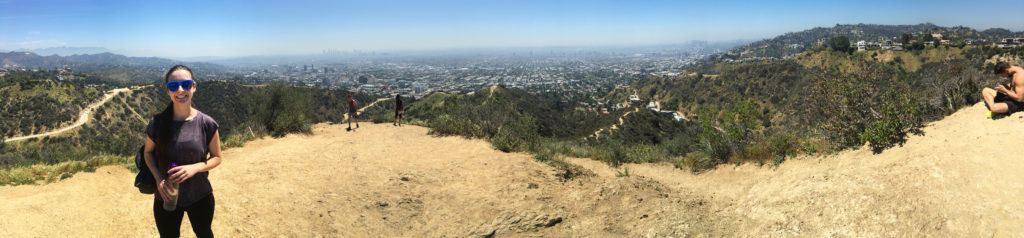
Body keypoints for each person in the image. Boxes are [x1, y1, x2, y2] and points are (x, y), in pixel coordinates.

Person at [143, 65, 222, 238]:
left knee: (204, 233)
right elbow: (147, 153)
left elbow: (217, 157)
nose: (180, 90)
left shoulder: (207, 123)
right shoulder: (157, 123)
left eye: (186, 85)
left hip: (200, 195)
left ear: (194, 86)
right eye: (173, 86)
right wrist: (158, 179)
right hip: (166, 195)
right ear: (167, 90)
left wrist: (195, 168)